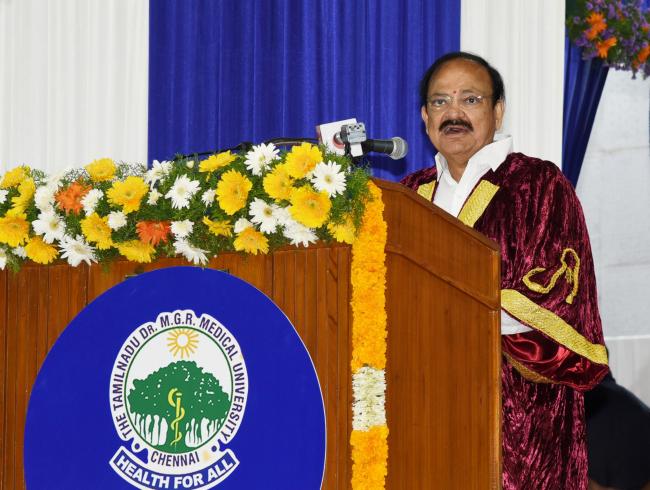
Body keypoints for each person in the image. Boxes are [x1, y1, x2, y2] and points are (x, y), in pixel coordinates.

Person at [401, 51, 609, 490]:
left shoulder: (538, 185)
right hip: (420, 413)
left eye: (470, 99)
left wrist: (454, 306)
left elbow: (558, 303)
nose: (453, 113)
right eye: (440, 101)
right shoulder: (407, 196)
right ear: (424, 116)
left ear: (497, 111)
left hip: (519, 421)